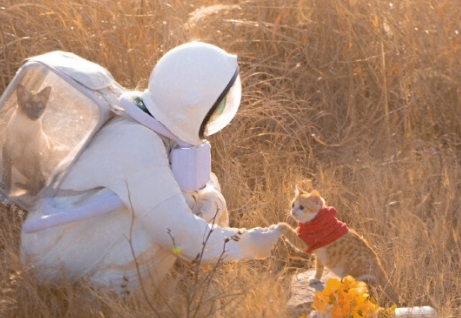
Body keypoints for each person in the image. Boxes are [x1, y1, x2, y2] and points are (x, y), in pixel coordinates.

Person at [20, 41, 283, 293]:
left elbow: (198, 184)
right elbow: (177, 233)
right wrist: (247, 244)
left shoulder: (144, 124)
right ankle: (104, 306)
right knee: (167, 223)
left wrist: (210, 201)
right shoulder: (137, 144)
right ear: (191, 106)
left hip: (60, 241)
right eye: (216, 108)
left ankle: (132, 290)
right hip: (51, 257)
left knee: (195, 197)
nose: (216, 117)